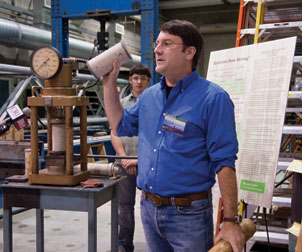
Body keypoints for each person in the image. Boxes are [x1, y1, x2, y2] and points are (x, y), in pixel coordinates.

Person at [103, 19, 245, 252]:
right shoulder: (149, 97)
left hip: (188, 214)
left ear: (190, 52)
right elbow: (121, 126)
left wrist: (230, 221)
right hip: (148, 208)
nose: (157, 49)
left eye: (167, 43)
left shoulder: (213, 98)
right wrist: (109, 85)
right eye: (157, 43)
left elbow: (224, 161)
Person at [110, 63, 151, 252]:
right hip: (124, 163)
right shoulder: (122, 103)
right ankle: (124, 245)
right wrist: (125, 158)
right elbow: (114, 132)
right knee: (124, 206)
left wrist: (140, 160)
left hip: (149, 164)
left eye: (143, 78)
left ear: (149, 81)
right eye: (136, 78)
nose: (139, 82)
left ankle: (157, 244)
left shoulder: (156, 103)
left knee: (153, 205)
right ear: (130, 80)